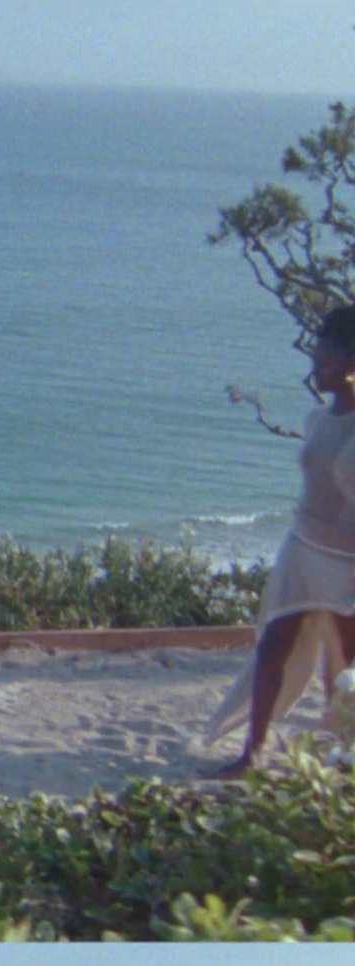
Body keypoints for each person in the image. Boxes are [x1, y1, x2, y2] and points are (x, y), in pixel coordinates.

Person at [205, 305, 355, 779]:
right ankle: (253, 752)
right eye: (316, 359)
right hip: (303, 549)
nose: (316, 370)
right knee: (272, 649)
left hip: (348, 560)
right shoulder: (318, 418)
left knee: (344, 670)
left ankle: (344, 759)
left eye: (327, 363)